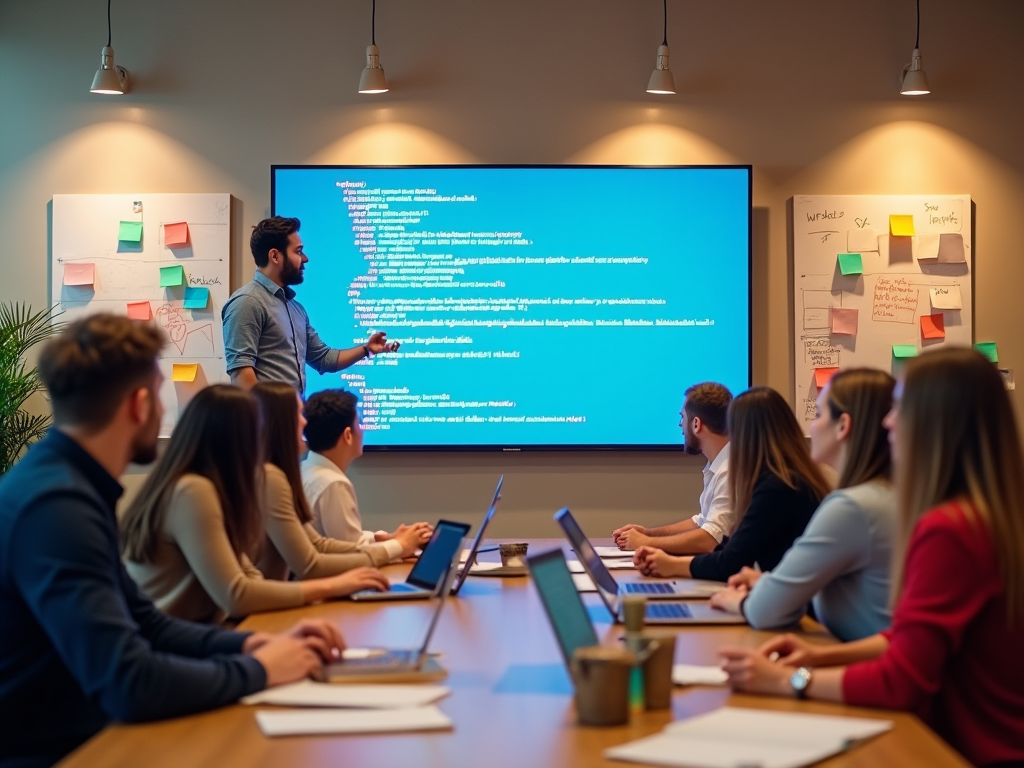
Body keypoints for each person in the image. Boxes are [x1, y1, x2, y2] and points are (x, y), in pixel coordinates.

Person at [0, 314, 343, 768]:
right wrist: (260, 670)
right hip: (64, 752)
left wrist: (246, 645)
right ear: (141, 405)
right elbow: (128, 683)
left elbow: (147, 622)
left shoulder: (66, 485)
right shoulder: (57, 506)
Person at [719, 349, 1024, 768]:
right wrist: (820, 656)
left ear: (936, 424)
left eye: (900, 408)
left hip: (966, 752)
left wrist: (787, 679)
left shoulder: (949, 530)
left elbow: (902, 682)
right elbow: (910, 636)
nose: (888, 422)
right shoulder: (988, 515)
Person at [121, 385, 390, 625]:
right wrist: (333, 586)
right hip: (168, 648)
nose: (302, 423)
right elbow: (237, 595)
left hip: (192, 636)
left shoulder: (213, 488)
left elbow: (248, 577)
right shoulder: (192, 491)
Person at [709, 369, 896, 641]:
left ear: (843, 426)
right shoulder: (885, 495)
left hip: (865, 669)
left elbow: (764, 612)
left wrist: (733, 601)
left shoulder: (851, 507)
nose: (810, 427)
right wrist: (768, 584)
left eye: (818, 414)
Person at [634, 386, 830, 582]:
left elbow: (731, 561)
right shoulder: (786, 477)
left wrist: (670, 564)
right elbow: (730, 547)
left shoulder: (777, 486)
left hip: (800, 607)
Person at [250, 381, 426, 580]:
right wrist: (397, 547)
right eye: (298, 414)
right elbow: (312, 564)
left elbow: (319, 545)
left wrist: (385, 541)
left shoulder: (292, 472)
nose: (305, 423)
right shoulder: (282, 479)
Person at [222, 216, 399, 394]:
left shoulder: (295, 308)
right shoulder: (247, 302)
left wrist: (366, 349)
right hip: (269, 421)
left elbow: (323, 359)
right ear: (275, 256)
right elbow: (241, 375)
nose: (305, 259)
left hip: (293, 419)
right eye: (298, 252)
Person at [612, 382, 735, 554]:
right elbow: (701, 523)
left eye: (682, 417)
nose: (680, 425)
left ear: (696, 424)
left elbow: (711, 540)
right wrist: (648, 534)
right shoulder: (720, 465)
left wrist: (645, 542)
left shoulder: (730, 471)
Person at [302, 388, 432, 546]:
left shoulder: (305, 469)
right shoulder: (333, 483)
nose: (363, 429)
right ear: (348, 435)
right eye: (359, 423)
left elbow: (338, 539)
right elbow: (352, 553)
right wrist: (402, 544)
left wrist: (381, 538)